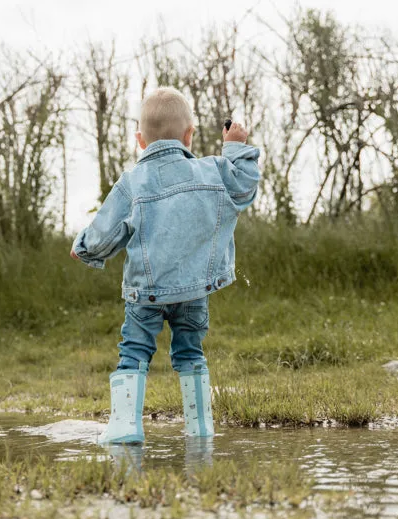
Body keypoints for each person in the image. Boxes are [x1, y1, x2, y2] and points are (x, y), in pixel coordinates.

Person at [71, 87, 261, 443]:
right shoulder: (212, 170)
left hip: (147, 293)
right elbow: (246, 186)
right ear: (189, 134)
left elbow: (105, 230)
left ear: (140, 140)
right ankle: (200, 429)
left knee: (135, 349)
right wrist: (234, 146)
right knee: (190, 351)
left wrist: (84, 248)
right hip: (194, 290)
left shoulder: (132, 182)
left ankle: (126, 428)